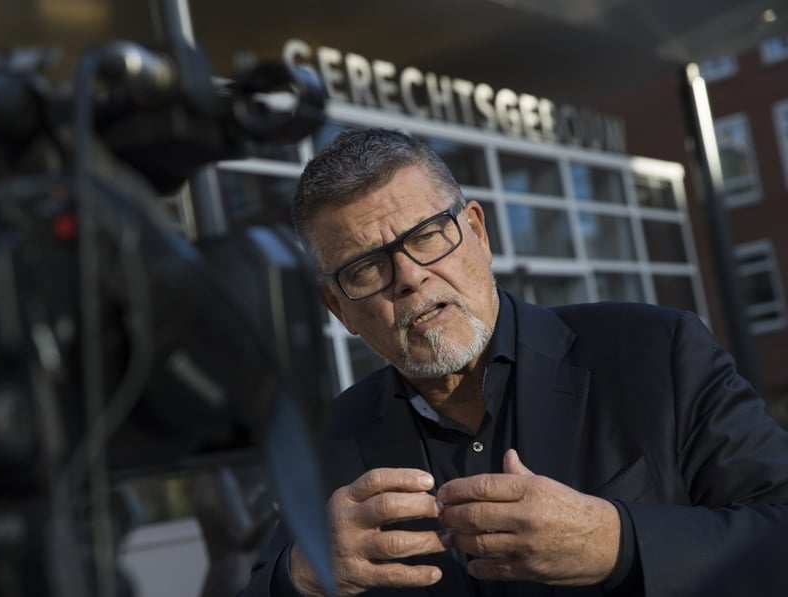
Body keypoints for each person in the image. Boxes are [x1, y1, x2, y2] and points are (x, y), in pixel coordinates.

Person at [238, 127, 788, 597]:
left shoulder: (657, 350)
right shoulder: (322, 446)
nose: (408, 277)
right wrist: (302, 577)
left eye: (427, 236)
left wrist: (617, 541)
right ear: (339, 309)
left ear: (477, 232)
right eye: (365, 269)